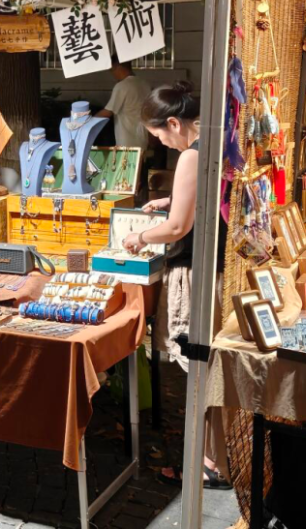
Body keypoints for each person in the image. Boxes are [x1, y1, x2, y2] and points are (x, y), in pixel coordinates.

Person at [120, 80, 229, 490]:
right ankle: (215, 455)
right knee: (212, 366)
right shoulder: (219, 142)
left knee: (197, 368)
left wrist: (140, 236)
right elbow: (204, 199)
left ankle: (207, 463)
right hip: (220, 270)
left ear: (173, 124)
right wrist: (170, 201)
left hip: (195, 272)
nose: (162, 143)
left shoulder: (190, 156)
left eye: (159, 136)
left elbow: (178, 227)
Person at [94, 58, 150, 149]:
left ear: (118, 67)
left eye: (112, 70)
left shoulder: (122, 86)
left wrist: (87, 121)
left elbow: (108, 112)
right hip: (143, 140)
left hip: (127, 143)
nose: (112, 74)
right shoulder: (144, 84)